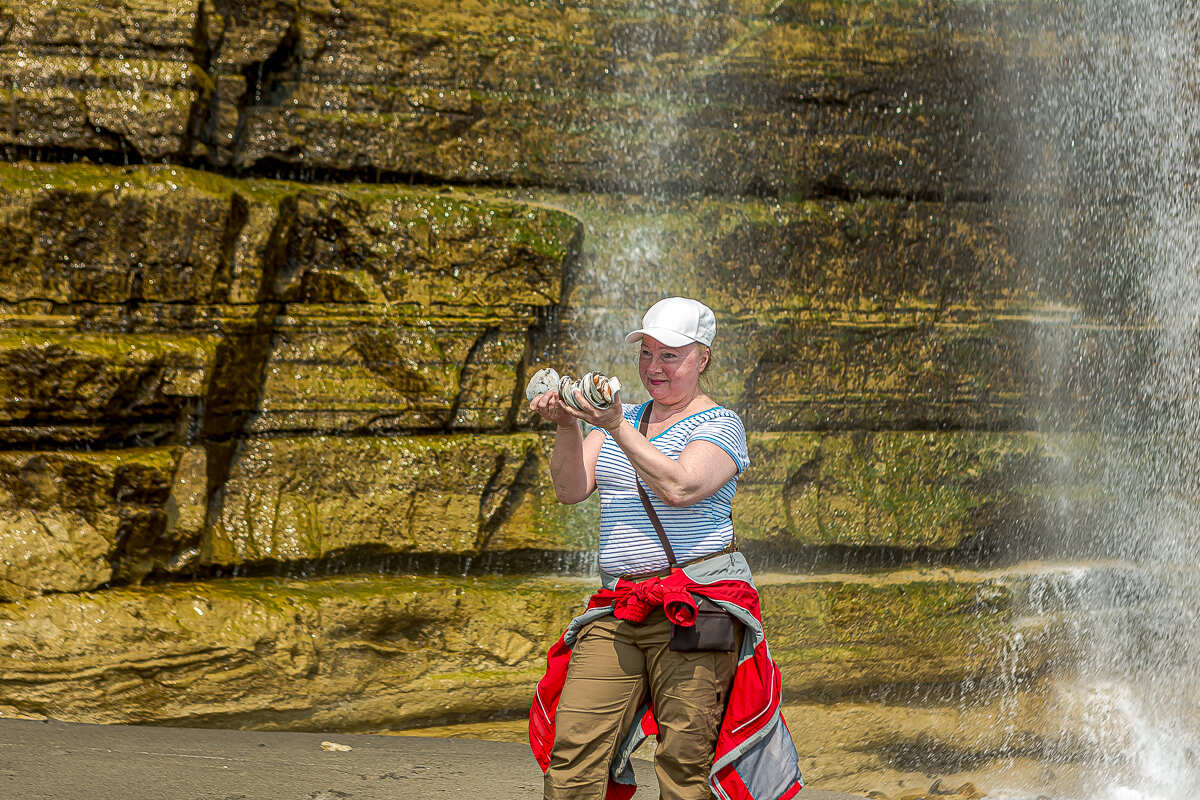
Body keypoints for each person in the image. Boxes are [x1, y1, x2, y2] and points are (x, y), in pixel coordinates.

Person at [527, 297, 803, 800]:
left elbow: (680, 486)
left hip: (692, 609)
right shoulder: (624, 417)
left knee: (683, 762)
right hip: (619, 608)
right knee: (574, 750)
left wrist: (613, 426)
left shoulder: (721, 425)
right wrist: (569, 424)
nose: (654, 368)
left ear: (703, 358)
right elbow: (570, 489)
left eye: (670, 356)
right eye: (647, 353)